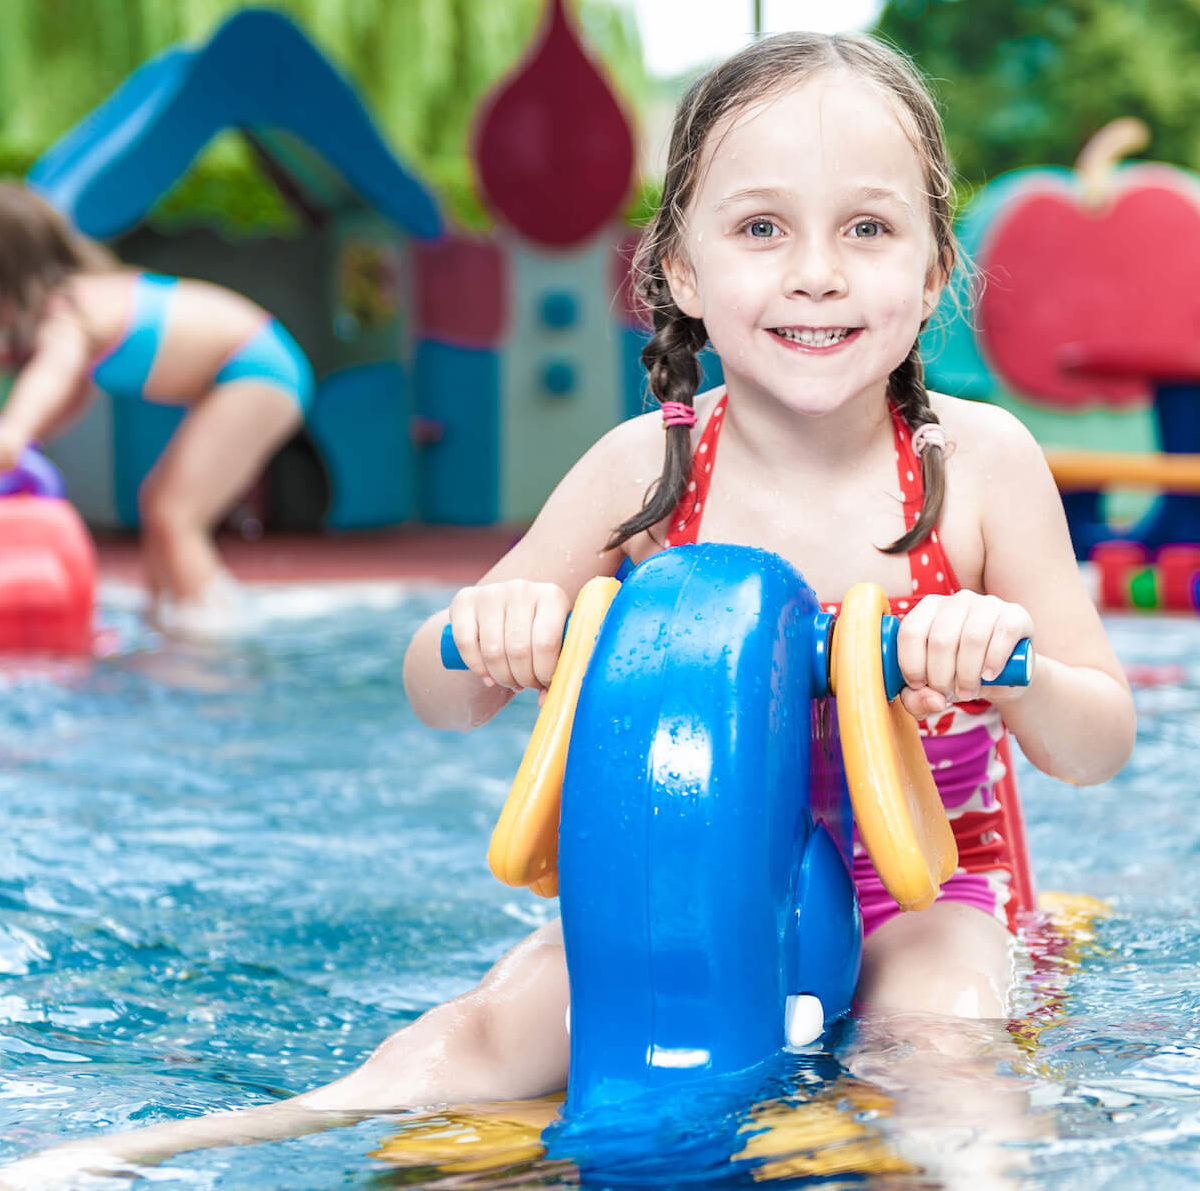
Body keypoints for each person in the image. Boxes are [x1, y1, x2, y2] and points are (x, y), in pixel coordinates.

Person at [0, 30, 1135, 1186]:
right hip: (688, 887)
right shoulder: (645, 470)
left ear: (934, 267)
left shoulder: (978, 463)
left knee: (938, 1037)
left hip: (928, 893)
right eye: (759, 228)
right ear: (679, 271)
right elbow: (436, 692)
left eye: (868, 229)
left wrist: (1013, 665)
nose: (816, 272)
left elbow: (1098, 740)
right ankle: (151, 1153)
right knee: (484, 1033)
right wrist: (486, 639)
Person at [0, 182, 314, 636]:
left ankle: (211, 639)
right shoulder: (84, 300)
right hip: (249, 365)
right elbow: (68, 396)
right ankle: (167, 617)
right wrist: (26, 439)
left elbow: (50, 380)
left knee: (174, 512)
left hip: (254, 369)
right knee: (160, 502)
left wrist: (13, 434)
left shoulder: (68, 315)